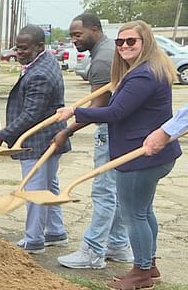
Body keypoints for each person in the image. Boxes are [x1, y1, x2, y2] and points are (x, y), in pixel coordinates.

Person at [56, 20, 180, 290]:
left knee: (134, 213)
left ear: (145, 42)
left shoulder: (144, 74)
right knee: (144, 211)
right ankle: (149, 264)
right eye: (120, 42)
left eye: (131, 41)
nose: (124, 46)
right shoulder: (146, 70)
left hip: (140, 155)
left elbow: (115, 113)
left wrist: (74, 112)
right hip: (154, 154)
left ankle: (141, 272)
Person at [55, 12, 132, 270]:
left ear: (95, 31)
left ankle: (93, 251)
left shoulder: (102, 60)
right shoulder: (112, 50)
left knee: (103, 191)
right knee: (118, 191)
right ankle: (119, 244)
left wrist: (68, 130)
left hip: (110, 131)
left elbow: (99, 106)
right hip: (125, 130)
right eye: (71, 36)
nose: (74, 40)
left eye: (78, 35)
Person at [0, 25, 70, 253]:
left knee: (33, 189)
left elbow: (32, 113)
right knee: (49, 186)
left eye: (24, 48)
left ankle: (34, 240)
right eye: (17, 47)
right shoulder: (44, 61)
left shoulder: (40, 73)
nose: (18, 52)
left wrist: (3, 135)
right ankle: (55, 231)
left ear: (39, 47)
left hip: (38, 140)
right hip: (50, 138)